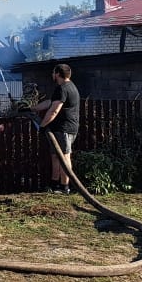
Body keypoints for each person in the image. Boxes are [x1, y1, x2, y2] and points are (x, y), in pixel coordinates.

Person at [34, 63, 80, 194]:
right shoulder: (67, 87)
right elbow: (50, 102)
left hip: (64, 129)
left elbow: (54, 110)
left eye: (53, 72)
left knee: (64, 157)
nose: (52, 75)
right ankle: (55, 185)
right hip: (61, 129)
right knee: (55, 156)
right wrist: (32, 108)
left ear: (58, 74)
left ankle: (65, 187)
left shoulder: (63, 88)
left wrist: (42, 126)